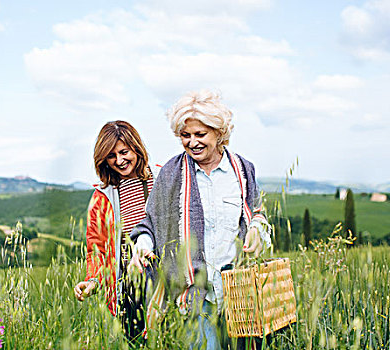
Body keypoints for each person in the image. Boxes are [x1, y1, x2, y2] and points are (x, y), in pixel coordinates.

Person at [130, 90, 271, 349]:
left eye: (200, 134)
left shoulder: (243, 170)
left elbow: (257, 214)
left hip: (238, 292)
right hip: (194, 294)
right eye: (185, 135)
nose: (192, 142)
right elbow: (149, 224)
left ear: (219, 133)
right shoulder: (171, 173)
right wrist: (143, 245)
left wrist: (256, 230)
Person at [74, 120, 158, 343]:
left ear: (136, 148)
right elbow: (97, 248)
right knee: (135, 342)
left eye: (124, 152)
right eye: (112, 156)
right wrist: (93, 280)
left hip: (165, 278)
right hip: (127, 285)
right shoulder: (101, 197)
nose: (119, 161)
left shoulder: (161, 179)